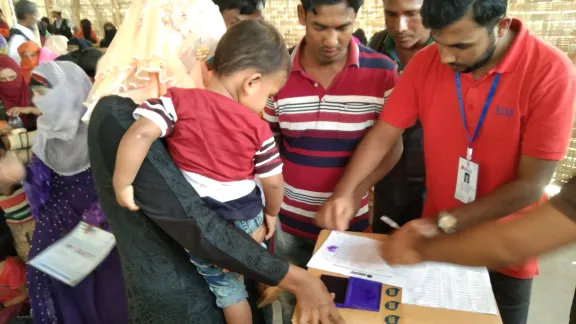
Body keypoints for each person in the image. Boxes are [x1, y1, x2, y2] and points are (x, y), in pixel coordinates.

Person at [83, 0, 345, 323]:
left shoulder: (182, 109)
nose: (206, 69)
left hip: (223, 278)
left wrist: (260, 223)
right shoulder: (120, 116)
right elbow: (196, 223)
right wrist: (296, 278)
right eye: (201, 55)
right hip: (184, 304)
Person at [317, 0, 576, 323]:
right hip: (435, 242)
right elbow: (384, 134)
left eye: (461, 45)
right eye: (439, 43)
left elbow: (530, 185)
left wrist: (445, 222)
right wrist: (347, 190)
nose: (446, 57)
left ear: (501, 25)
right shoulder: (427, 62)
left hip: (506, 251)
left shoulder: (550, 71)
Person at [115, 20, 288, 324]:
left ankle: (256, 275)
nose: (268, 102)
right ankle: (263, 275)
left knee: (229, 292)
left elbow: (141, 133)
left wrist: (122, 183)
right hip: (246, 220)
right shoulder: (258, 129)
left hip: (201, 227)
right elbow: (273, 184)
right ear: (251, 82)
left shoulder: (177, 102)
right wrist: (272, 213)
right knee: (256, 248)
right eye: (270, 94)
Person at [262, 0, 401, 321]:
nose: (331, 41)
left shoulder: (382, 72)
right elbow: (269, 147)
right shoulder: (276, 72)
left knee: (344, 308)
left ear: (356, 19)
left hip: (349, 227)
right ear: (301, 16)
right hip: (289, 223)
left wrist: (351, 195)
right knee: (294, 307)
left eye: (342, 28)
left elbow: (392, 148)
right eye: (320, 27)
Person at [13, 61, 129, 323]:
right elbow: (41, 183)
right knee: (55, 286)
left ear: (68, 90)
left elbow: (119, 180)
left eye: (44, 93)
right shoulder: (45, 130)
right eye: (34, 94)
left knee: (106, 293)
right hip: (57, 224)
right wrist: (22, 175)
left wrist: (99, 214)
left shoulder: (99, 128)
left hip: (101, 223)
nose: (37, 101)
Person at [368, 0, 432, 234]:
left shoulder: (450, 50)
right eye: (391, 15)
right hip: (391, 174)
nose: (400, 26)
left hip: (438, 176)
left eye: (412, 14)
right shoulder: (378, 45)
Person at [0, 56, 39, 130]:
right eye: (2, 79)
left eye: (12, 77)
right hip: (8, 138)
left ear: (19, 73)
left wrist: (30, 109)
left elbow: (50, 113)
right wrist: (2, 126)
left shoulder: (33, 89)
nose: (8, 82)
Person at [8, 0, 39, 65]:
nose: (37, 18)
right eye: (36, 14)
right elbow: (15, 61)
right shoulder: (18, 38)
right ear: (28, 16)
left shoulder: (26, 32)